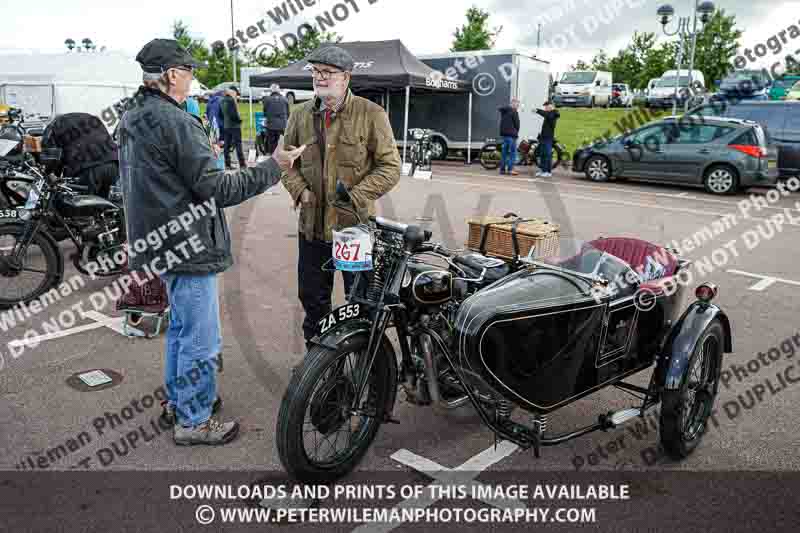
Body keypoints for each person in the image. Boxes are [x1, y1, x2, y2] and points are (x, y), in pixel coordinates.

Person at [119, 38, 305, 446]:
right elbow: (217, 188)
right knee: (201, 337)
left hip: (160, 240)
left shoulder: (133, 115)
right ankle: (194, 419)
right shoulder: (178, 121)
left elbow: (164, 177)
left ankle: (179, 403)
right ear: (170, 75)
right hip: (188, 243)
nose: (192, 78)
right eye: (188, 71)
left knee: (183, 330)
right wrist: (273, 166)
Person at [281, 45, 401, 347]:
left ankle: (360, 363)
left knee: (359, 303)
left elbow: (390, 167)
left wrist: (355, 196)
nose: (320, 78)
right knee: (312, 300)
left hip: (354, 230)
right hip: (311, 228)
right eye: (315, 71)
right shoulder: (298, 115)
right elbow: (285, 164)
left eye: (328, 72)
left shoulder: (371, 114)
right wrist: (301, 192)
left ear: (345, 77)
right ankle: (317, 360)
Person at [40, 112, 119, 198]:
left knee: (83, 206)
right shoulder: (90, 118)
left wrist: (49, 173)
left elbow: (51, 156)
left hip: (88, 169)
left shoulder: (54, 126)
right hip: (113, 164)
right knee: (107, 206)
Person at [221, 87, 245, 169]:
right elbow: (233, 114)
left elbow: (222, 114)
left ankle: (227, 164)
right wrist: (239, 120)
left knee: (226, 145)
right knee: (238, 144)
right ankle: (242, 164)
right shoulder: (231, 100)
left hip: (226, 125)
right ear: (232, 93)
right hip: (234, 126)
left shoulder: (222, 100)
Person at [262, 83, 290, 154]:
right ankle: (281, 158)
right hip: (282, 126)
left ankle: (273, 158)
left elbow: (264, 113)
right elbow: (288, 113)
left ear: (271, 90)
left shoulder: (267, 100)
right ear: (279, 90)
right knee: (281, 144)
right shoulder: (285, 99)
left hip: (271, 126)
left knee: (272, 144)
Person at [536, 101, 561, 178]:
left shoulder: (554, 113)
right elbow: (546, 115)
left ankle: (548, 171)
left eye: (546, 106)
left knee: (547, 154)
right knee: (542, 154)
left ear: (551, 106)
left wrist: (538, 111)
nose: (545, 108)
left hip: (548, 138)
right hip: (543, 137)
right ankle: (543, 170)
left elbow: (547, 115)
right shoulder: (548, 114)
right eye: (545, 106)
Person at [498, 99, 520, 176]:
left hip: (504, 135)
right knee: (512, 153)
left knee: (504, 153)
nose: (518, 106)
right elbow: (517, 124)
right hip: (511, 135)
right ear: (513, 104)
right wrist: (516, 131)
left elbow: (500, 108)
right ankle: (510, 169)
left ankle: (502, 170)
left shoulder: (504, 110)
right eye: (517, 105)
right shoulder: (514, 112)